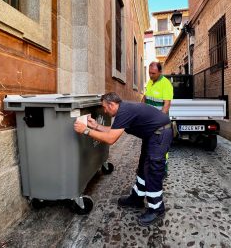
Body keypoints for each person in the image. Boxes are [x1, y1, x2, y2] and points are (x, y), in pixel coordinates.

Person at [73, 92, 173, 227]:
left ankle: (157, 209)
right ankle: (137, 198)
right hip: (152, 135)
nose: (104, 110)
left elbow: (110, 139)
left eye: (105, 107)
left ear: (112, 104)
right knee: (144, 168)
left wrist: (85, 130)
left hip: (159, 135)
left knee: (153, 171)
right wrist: (95, 126)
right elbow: (113, 130)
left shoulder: (124, 111)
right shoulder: (124, 109)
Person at [142, 62, 173, 174]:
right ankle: (148, 167)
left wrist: (158, 121)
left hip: (160, 122)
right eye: (149, 73)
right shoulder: (150, 81)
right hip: (149, 121)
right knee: (150, 143)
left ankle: (162, 168)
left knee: (161, 146)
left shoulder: (166, 84)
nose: (150, 75)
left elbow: (166, 105)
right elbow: (146, 97)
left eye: (153, 73)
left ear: (160, 72)